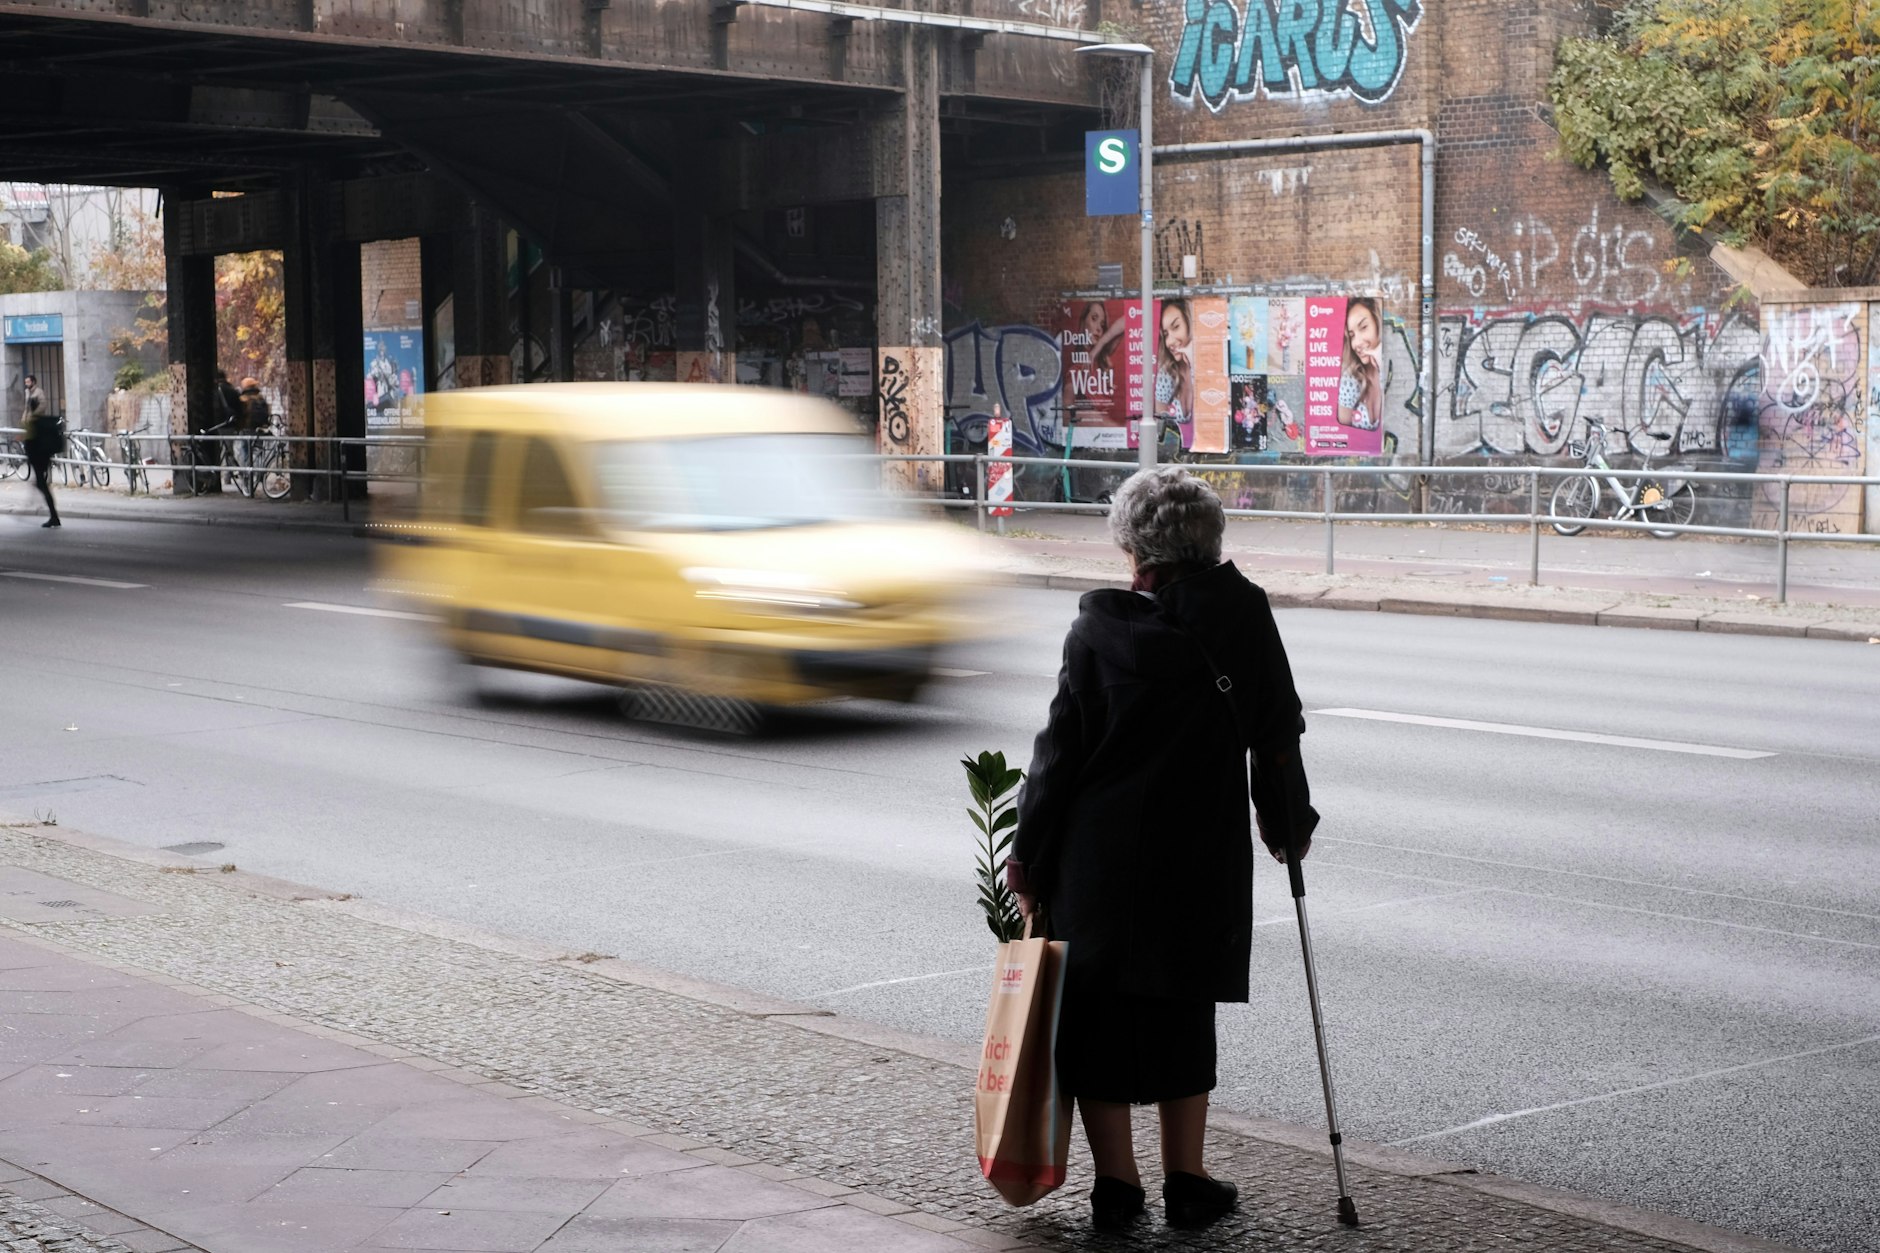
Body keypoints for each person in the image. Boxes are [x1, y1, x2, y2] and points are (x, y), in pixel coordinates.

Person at [1008, 467, 1317, 1232]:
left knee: (1097, 1015)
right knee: (1183, 1004)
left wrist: (1029, 860)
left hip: (1098, 855)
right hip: (1197, 851)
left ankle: (1117, 1185)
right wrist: (1285, 823)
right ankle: (1189, 1179)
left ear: (1131, 546)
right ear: (1209, 539)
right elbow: (1276, 731)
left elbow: (1058, 754)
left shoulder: (1096, 629)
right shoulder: (1243, 615)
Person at [20, 373, 60, 528]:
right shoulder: (28, 394)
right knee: (41, 484)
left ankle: (54, 516)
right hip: (39, 455)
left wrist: (31, 418)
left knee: (42, 484)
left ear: (34, 382)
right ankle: (53, 516)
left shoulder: (38, 394)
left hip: (39, 455)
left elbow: (41, 406)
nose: (27, 384)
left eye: (28, 381)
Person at [1338, 298, 1384, 431]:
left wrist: (1381, 366)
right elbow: (1343, 434)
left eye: (1363, 327)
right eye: (1352, 335)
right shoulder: (1351, 378)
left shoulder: (1393, 369)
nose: (1356, 343)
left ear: (1377, 324)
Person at [1155, 299, 1196, 428]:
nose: (1169, 342)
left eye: (1176, 327)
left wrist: (1194, 363)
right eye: (1166, 334)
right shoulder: (1167, 371)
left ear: (1189, 323)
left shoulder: (1207, 364)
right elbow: (1161, 426)